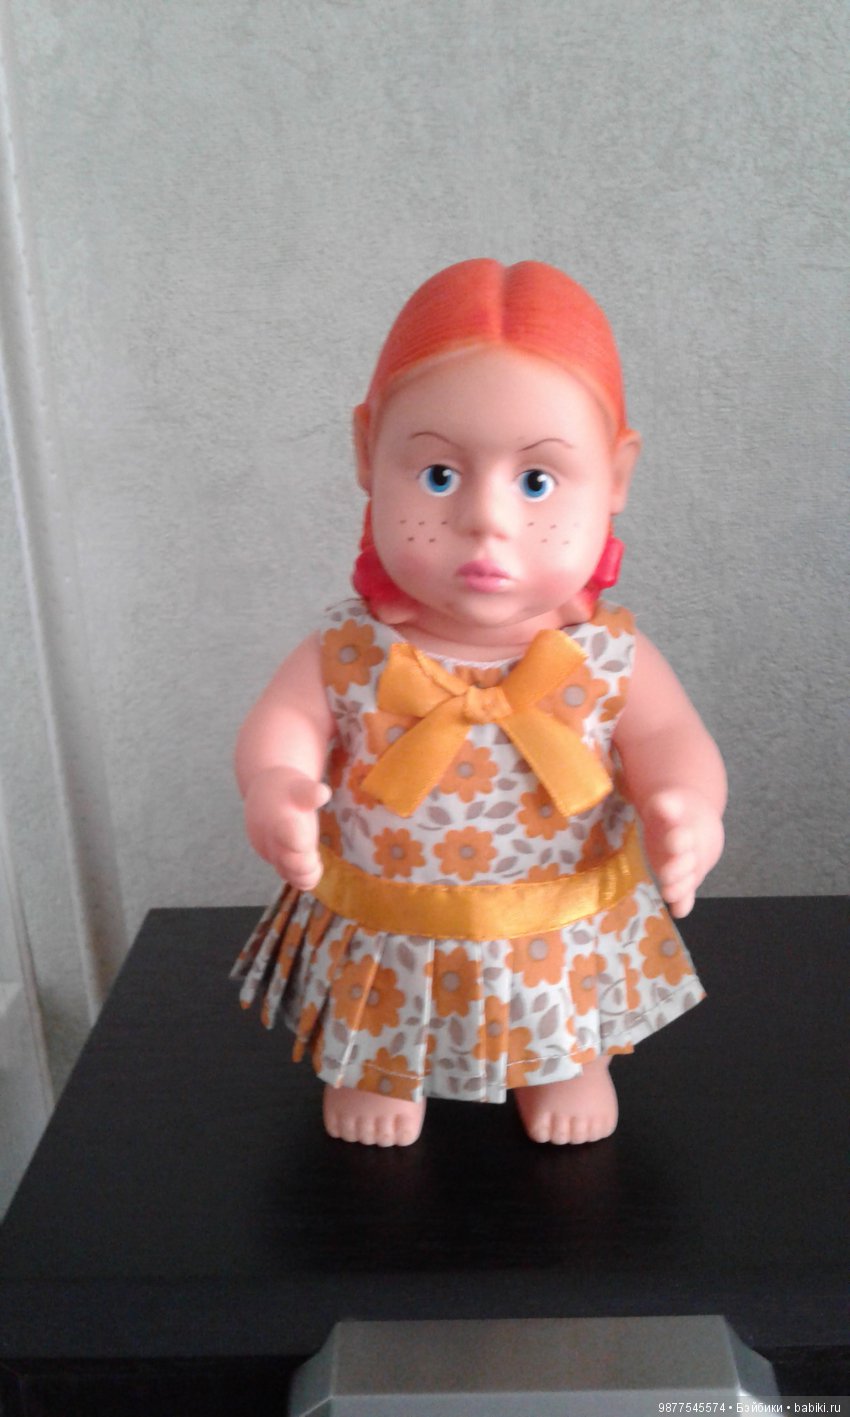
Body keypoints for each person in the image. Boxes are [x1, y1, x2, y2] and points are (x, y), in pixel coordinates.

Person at [232, 259, 726, 1148]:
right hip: (389, 916)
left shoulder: (608, 656)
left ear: (616, 475)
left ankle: (565, 1059)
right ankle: (378, 1063)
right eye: (438, 474)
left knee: (558, 992)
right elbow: (288, 724)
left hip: (556, 918)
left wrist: (687, 803)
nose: (485, 518)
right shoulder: (349, 651)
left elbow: (668, 734)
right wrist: (275, 782)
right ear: (367, 452)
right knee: (382, 997)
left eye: (537, 480)